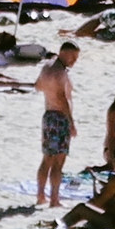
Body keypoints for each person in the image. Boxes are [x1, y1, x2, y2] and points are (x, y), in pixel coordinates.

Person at [35, 41, 79, 206]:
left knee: (47, 158)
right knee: (58, 161)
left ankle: (40, 196)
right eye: (73, 57)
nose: (74, 61)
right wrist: (71, 123)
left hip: (48, 115)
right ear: (64, 53)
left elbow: (38, 86)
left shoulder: (46, 67)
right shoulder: (60, 72)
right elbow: (62, 99)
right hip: (60, 118)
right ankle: (54, 199)